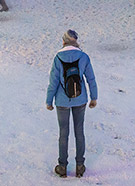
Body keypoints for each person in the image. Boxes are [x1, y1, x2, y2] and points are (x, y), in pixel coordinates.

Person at [46, 29, 98, 179]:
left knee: (64, 133)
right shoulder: (83, 57)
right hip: (80, 100)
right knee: (79, 131)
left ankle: (62, 166)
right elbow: (91, 79)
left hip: (62, 101)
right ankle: (80, 166)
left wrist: (49, 101)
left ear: (63, 41)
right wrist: (94, 97)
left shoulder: (58, 58)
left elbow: (53, 82)